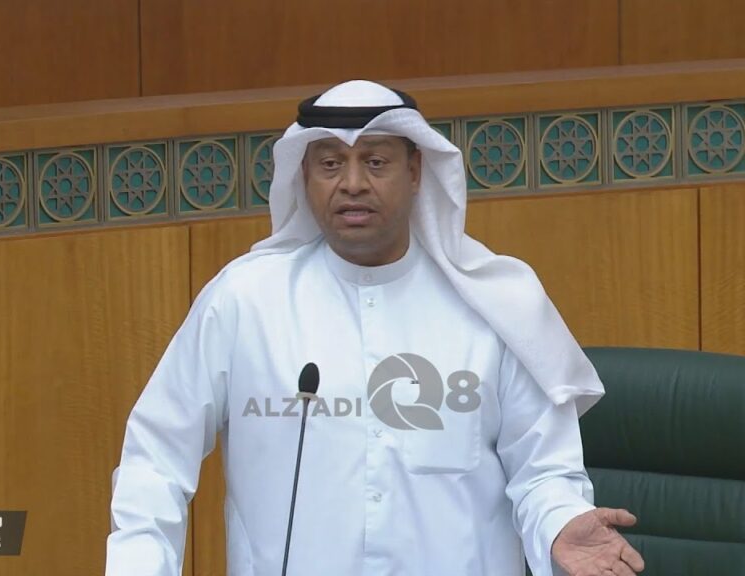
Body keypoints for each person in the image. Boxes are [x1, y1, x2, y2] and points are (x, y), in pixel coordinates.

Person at [106, 80, 644, 576]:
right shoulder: (245, 302)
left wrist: (559, 523)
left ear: (415, 170)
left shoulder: (496, 305)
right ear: (304, 176)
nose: (352, 184)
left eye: (376, 161)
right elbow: (156, 457)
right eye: (330, 164)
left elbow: (543, 470)